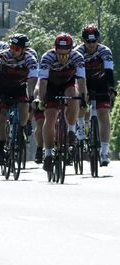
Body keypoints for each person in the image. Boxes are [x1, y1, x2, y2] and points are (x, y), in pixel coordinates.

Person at [0, 34, 38, 165]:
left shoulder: (30, 59)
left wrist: (31, 96)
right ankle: (1, 150)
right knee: (1, 118)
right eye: (11, 46)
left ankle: (21, 130)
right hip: (3, 89)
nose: (13, 50)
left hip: (19, 88)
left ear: (24, 50)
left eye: (17, 48)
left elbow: (33, 80)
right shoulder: (5, 55)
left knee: (24, 111)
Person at [38, 33, 87, 172]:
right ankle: (47, 153)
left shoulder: (78, 57)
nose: (62, 58)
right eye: (60, 55)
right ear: (55, 49)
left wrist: (83, 97)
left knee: (74, 95)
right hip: (51, 86)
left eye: (66, 56)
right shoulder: (47, 57)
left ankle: (71, 130)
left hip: (68, 84)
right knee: (50, 117)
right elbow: (42, 81)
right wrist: (42, 99)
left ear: (71, 50)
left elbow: (82, 80)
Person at [74, 24, 115, 166]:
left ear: (98, 40)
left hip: (100, 82)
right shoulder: (77, 52)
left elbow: (109, 71)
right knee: (81, 99)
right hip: (83, 81)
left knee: (104, 115)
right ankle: (80, 125)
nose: (91, 45)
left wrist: (111, 88)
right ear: (83, 40)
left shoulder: (105, 51)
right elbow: (75, 76)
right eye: (88, 42)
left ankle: (104, 152)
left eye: (94, 41)